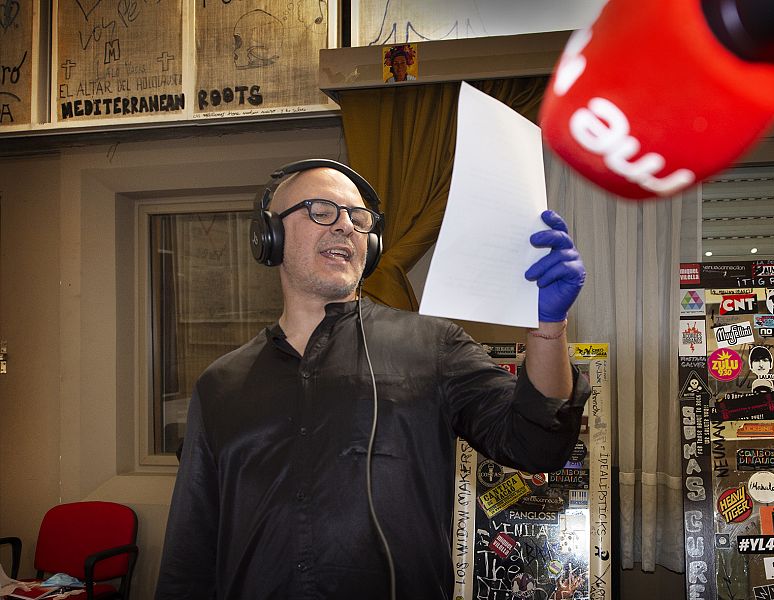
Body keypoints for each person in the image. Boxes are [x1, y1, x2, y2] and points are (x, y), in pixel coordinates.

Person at [155, 161, 590, 599]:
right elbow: (190, 550)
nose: (345, 225)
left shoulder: (434, 345)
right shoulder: (220, 384)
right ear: (270, 236)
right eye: (321, 209)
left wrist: (547, 327)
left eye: (358, 218)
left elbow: (538, 442)